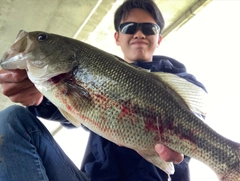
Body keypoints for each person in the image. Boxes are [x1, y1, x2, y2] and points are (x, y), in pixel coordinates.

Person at [0, 0, 206, 180]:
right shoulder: (92, 69)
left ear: (159, 38)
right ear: (117, 37)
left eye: (149, 28)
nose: (139, 34)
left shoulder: (181, 82)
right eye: (129, 28)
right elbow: (78, 111)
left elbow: (195, 128)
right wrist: (40, 99)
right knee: (11, 120)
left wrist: (185, 148)